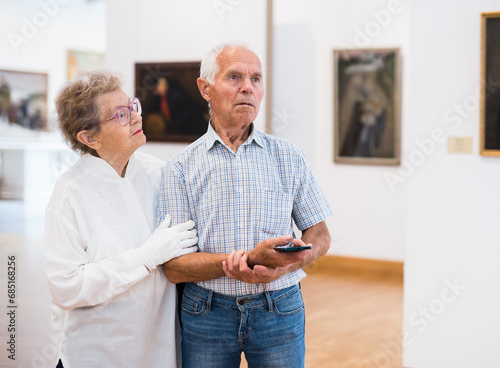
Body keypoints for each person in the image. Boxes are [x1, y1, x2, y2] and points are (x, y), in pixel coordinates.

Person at [158, 43, 333, 368]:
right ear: (205, 88)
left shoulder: (288, 156)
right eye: (235, 77)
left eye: (256, 79)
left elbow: (320, 234)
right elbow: (174, 266)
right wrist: (247, 260)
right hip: (206, 312)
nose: (247, 88)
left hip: (279, 307)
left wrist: (287, 264)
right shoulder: (179, 168)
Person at [44, 70, 198, 368]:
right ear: (89, 137)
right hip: (95, 353)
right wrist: (144, 257)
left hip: (158, 350)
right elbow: (67, 287)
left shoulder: (160, 174)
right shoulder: (69, 195)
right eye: (122, 115)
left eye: (133, 106)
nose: (137, 117)